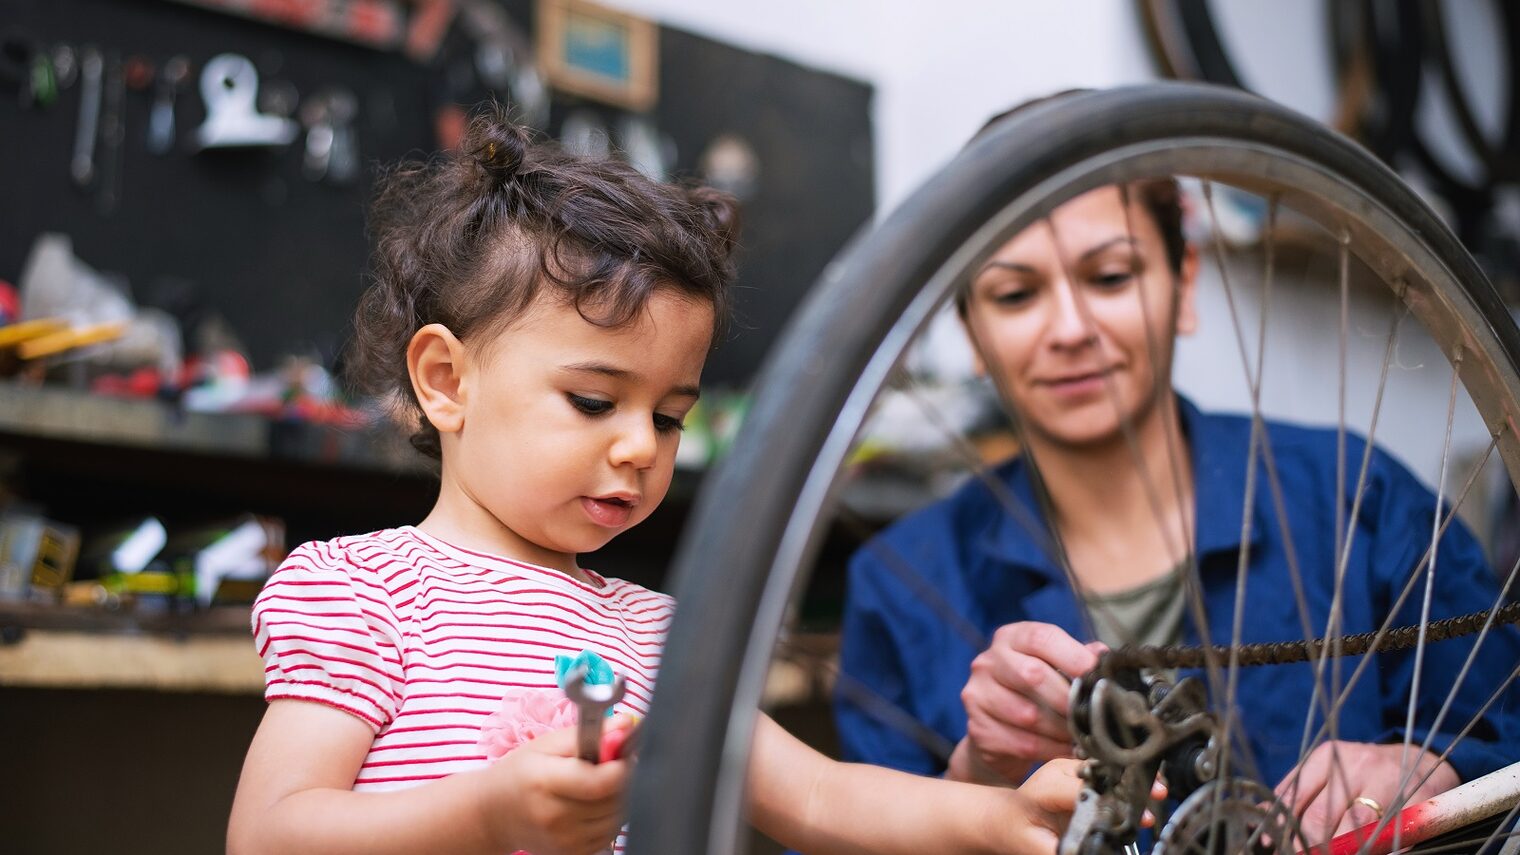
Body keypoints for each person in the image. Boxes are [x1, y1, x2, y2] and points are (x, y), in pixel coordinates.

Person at [226, 106, 1084, 855]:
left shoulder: (659, 639)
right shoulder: (365, 593)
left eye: (669, 416)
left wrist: (1001, 820)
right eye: (595, 400)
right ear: (447, 380)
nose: (641, 445)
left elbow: (821, 798)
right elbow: (268, 834)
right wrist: (488, 814)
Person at [835, 102, 1520, 847]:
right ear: (970, 329)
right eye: (1015, 293)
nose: (1069, 329)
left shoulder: (1363, 497)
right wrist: (977, 777)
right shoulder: (898, 583)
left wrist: (1426, 766)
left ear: (1184, 280)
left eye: (1109, 275)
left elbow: (1504, 732)